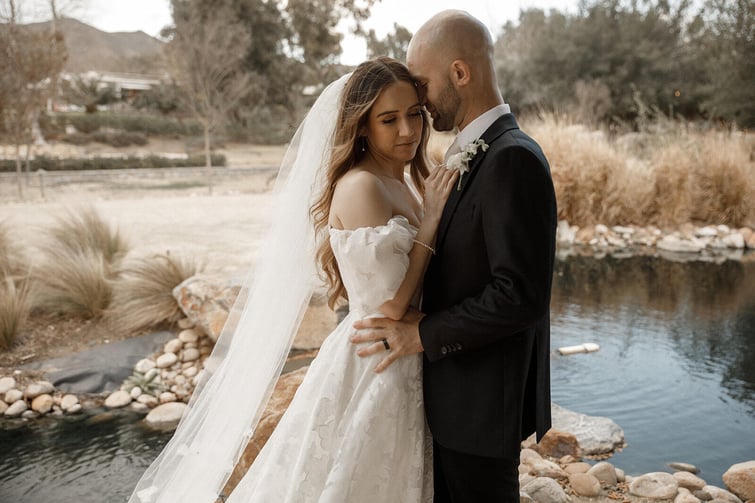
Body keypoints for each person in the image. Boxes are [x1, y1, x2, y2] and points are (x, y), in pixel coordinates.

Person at [129, 57, 457, 503]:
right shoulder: (363, 186)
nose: (407, 130)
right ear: (361, 126)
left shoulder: (403, 180)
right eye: (389, 120)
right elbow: (390, 311)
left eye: (414, 114)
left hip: (400, 357)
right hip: (373, 361)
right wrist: (431, 222)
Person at [350, 10, 558, 502]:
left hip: (480, 409)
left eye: (422, 84)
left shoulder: (512, 158)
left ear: (460, 73)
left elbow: (519, 296)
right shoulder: (476, 152)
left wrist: (419, 333)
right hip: (455, 401)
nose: (418, 101)